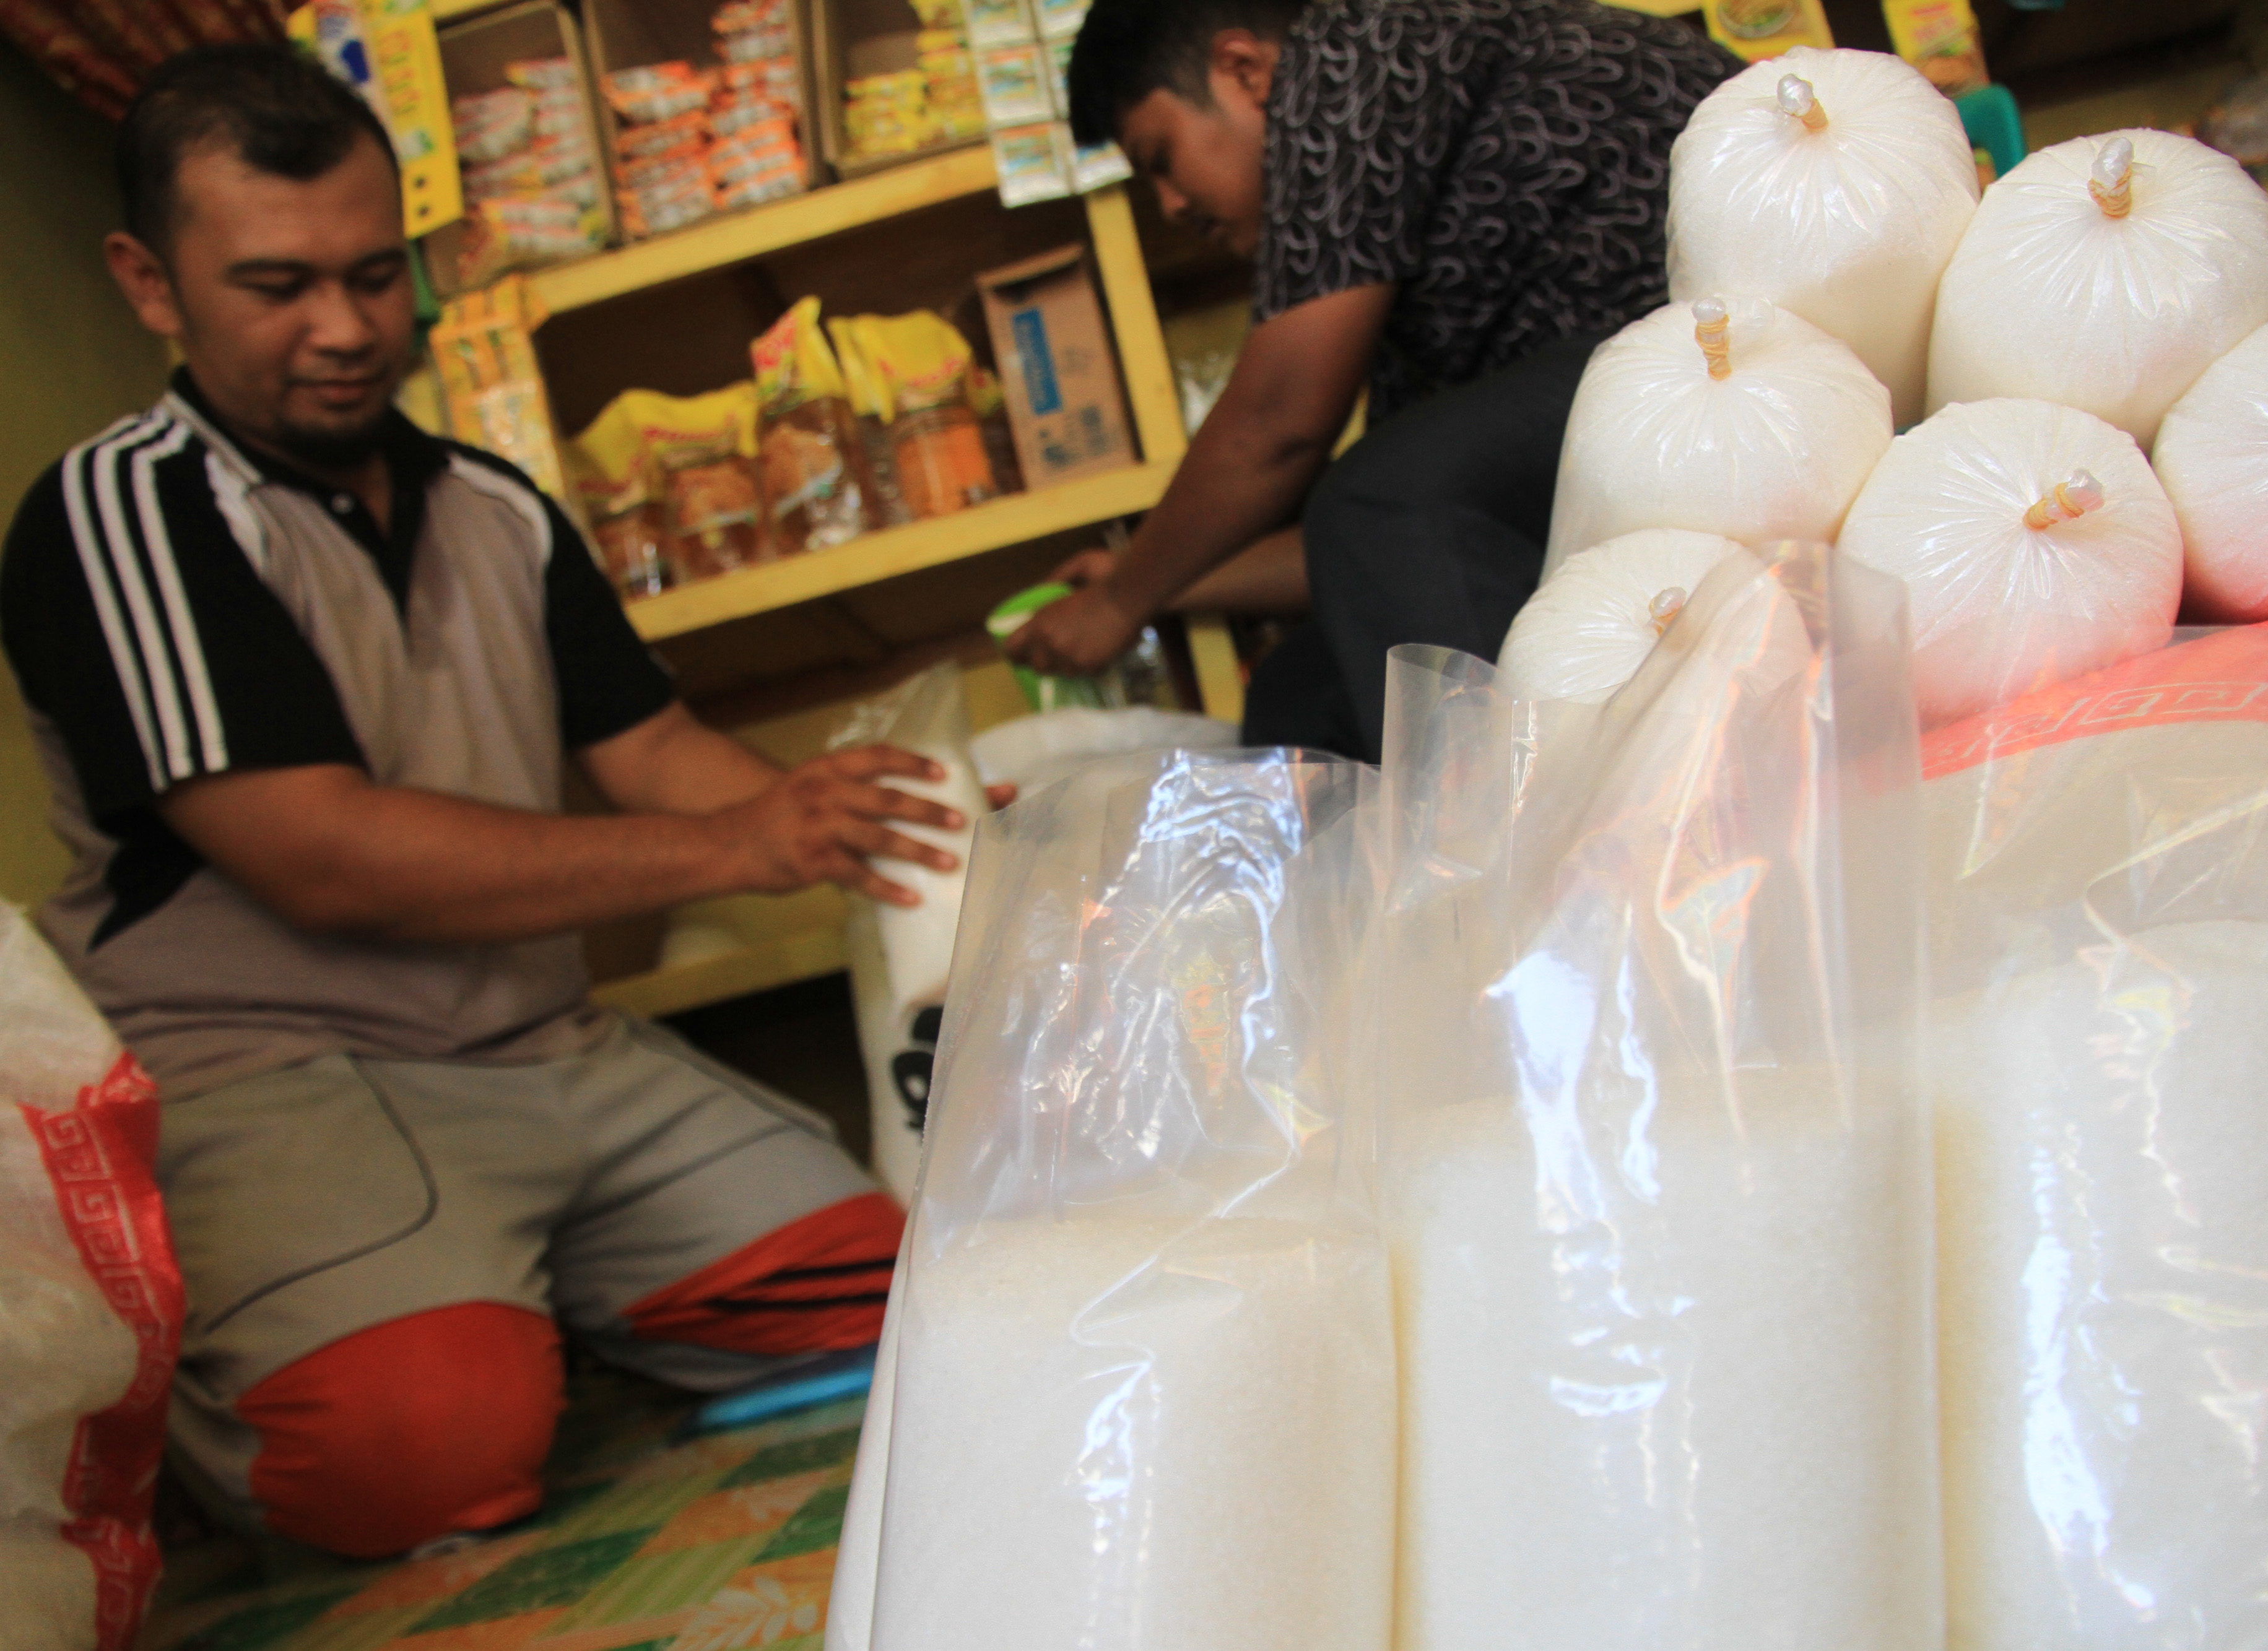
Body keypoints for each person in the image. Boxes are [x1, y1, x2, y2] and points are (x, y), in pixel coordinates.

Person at [0, 44, 994, 1560]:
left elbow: (652, 749)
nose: (343, 328)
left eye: (375, 274)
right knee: (413, 1456)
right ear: (151, 285)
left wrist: (883, 830)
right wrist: (739, 841)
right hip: (279, 1070)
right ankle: (422, 1334)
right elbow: (318, 858)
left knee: (921, 1298)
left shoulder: (493, 505)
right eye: (279, 286)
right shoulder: (122, 510)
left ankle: (514, 1296)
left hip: (546, 1049)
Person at [1007, 0, 1737, 760]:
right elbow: (1372, 553)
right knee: (1296, 697)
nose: (1170, 206)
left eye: (1160, 159)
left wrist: (1123, 599)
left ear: (1243, 70)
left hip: (1712, 340)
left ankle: (1536, 855)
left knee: (1372, 501)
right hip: (1617, 399)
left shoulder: (1359, 43)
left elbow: (1285, 425)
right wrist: (1162, 583)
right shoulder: (1404, 277)